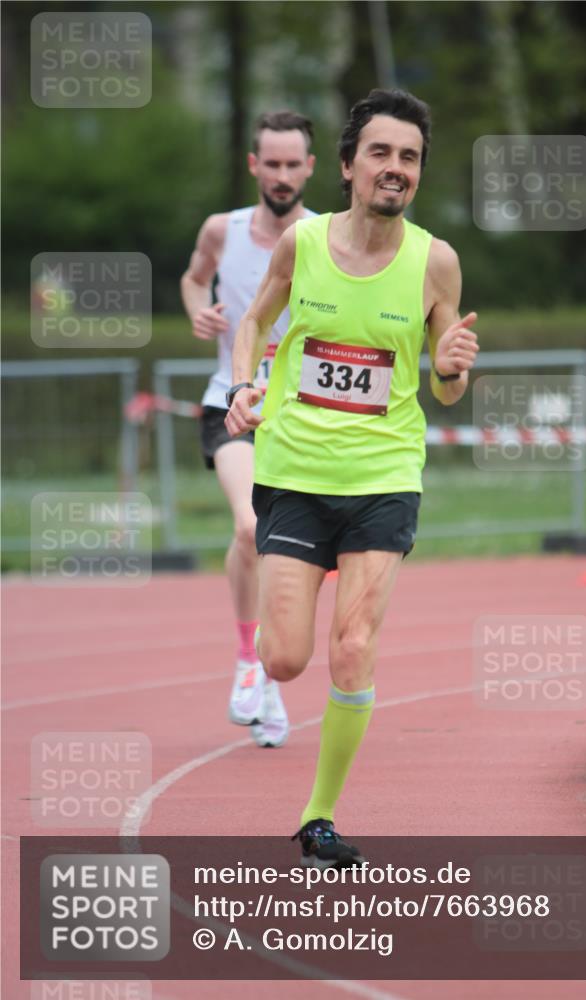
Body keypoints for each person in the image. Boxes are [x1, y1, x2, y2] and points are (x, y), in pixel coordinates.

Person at [225, 89, 479, 866]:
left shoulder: (434, 261)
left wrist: (449, 371)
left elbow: (443, 388)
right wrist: (244, 385)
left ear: (418, 174)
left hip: (382, 476)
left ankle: (318, 817)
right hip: (296, 471)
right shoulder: (299, 246)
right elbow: (254, 321)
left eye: (408, 156)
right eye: (380, 152)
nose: (394, 168)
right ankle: (277, 618)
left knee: (355, 644)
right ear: (346, 166)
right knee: (286, 660)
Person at [180, 110, 316, 748]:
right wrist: (198, 313)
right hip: (229, 399)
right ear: (254, 165)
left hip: (301, 413)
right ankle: (246, 659)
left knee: (284, 550)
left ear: (311, 168)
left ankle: (271, 679)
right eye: (273, 163)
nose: (283, 175)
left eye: (295, 164)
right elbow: (192, 275)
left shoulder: (326, 237)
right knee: (248, 526)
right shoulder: (222, 230)